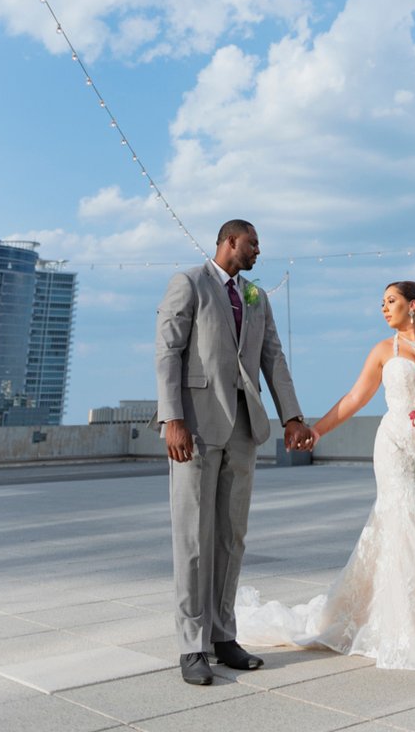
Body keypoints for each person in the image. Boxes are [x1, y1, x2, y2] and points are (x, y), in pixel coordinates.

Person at [236, 280, 415, 670]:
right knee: (404, 523)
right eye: (382, 303)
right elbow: (354, 398)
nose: (384, 309)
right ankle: (412, 626)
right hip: (396, 448)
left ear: (412, 305)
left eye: (391, 301)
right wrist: (316, 430)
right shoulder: (384, 351)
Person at [155, 219, 313, 686]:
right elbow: (167, 352)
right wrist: (173, 419)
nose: (258, 252)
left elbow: (273, 358)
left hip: (245, 429)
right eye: (253, 244)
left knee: (231, 537)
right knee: (193, 539)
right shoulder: (188, 283)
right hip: (197, 428)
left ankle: (224, 636)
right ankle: (192, 645)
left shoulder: (257, 296)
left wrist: (292, 416)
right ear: (229, 242)